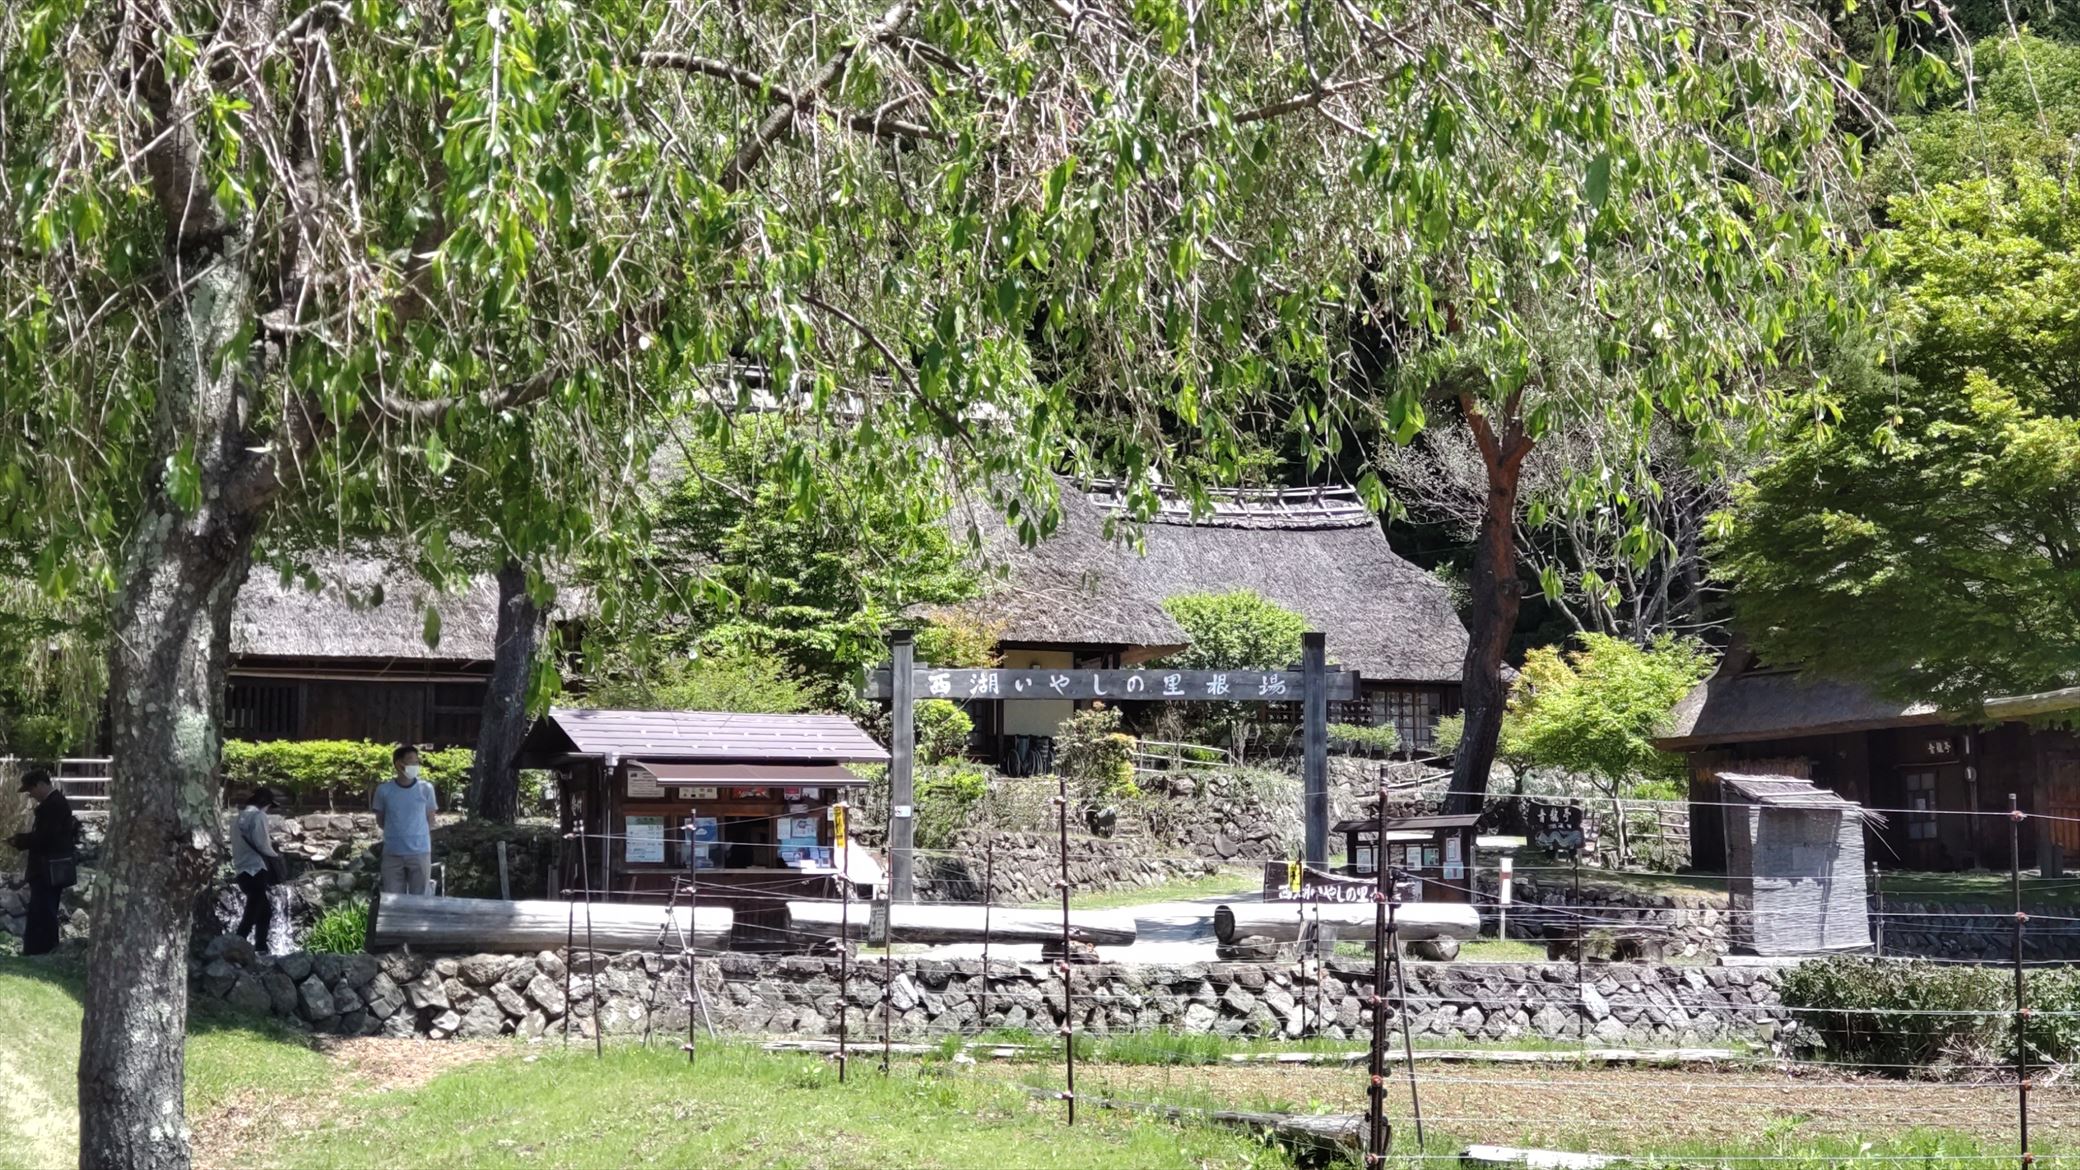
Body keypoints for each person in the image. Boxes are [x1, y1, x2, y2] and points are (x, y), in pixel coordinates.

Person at [10, 770, 77, 956]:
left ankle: (43, 950)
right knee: (40, 910)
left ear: (40, 784)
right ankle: (36, 950)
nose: (30, 795)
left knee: (44, 912)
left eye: (30, 790)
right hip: (46, 868)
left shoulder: (54, 805)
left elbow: (46, 837)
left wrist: (21, 841)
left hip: (48, 869)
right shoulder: (52, 804)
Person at [373, 744, 438, 895]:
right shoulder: (384, 790)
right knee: (392, 898)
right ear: (398, 764)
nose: (415, 766)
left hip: (420, 852)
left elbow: (431, 818)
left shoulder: (426, 788)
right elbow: (381, 820)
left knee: (421, 899)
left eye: (417, 762)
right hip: (392, 853)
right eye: (411, 762)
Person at [229, 787, 283, 948]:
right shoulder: (258, 816)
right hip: (256, 869)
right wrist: (277, 857)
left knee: (264, 911)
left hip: (241, 870)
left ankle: (261, 946)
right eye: (268, 807)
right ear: (264, 803)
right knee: (252, 912)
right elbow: (262, 844)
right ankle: (238, 943)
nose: (268, 810)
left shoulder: (236, 819)